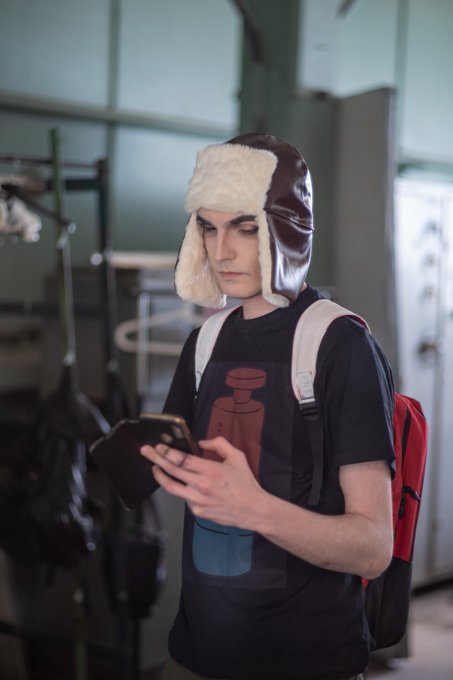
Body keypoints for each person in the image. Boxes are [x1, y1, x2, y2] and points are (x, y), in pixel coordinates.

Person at [140, 133, 395, 680]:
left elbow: (373, 548)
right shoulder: (205, 342)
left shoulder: (339, 345)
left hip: (304, 660)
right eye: (208, 228)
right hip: (194, 654)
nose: (222, 251)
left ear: (288, 227)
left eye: (246, 227)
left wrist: (251, 508)